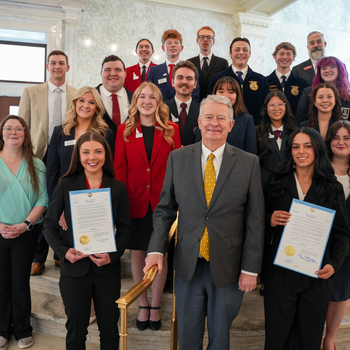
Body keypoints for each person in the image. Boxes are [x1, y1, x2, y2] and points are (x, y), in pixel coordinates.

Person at [144, 94, 264, 349]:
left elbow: (255, 219)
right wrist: (156, 250)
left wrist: (250, 268)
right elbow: (165, 209)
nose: (214, 123)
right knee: (187, 338)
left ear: (231, 125)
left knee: (220, 339)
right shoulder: (178, 158)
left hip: (229, 268)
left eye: (222, 118)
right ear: (199, 122)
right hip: (188, 265)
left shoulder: (249, 163)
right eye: (208, 117)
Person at [43, 132, 131, 350]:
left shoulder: (117, 187)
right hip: (74, 269)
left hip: (107, 271)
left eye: (98, 151)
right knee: (75, 332)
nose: (93, 157)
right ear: (78, 156)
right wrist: (64, 251)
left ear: (105, 155)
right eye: (86, 152)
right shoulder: (65, 184)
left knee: (110, 330)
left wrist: (112, 256)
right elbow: (48, 225)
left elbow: (126, 230)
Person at [263, 127, 349, 350]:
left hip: (316, 275)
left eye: (307, 146)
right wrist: (269, 219)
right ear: (290, 151)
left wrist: (333, 264)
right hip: (280, 274)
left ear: (317, 150)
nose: (301, 151)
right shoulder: (276, 181)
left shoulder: (332, 187)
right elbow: (256, 220)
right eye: (296, 146)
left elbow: (341, 233)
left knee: (308, 341)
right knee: (276, 340)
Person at [114, 82, 181, 331]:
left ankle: (155, 304)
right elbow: (120, 171)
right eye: (142, 96)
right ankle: (141, 303)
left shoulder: (171, 130)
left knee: (159, 254)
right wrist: (120, 205)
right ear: (136, 101)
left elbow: (178, 169)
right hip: (135, 203)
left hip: (164, 204)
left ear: (159, 102)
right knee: (138, 253)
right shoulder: (125, 130)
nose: (147, 101)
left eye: (152, 97)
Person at [18, 49, 76, 276]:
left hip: (66, 155)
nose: (57, 67)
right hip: (38, 155)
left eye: (62, 63)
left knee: (64, 201)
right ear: (47, 67)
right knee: (41, 203)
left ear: (68, 67)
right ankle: (38, 256)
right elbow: (23, 124)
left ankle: (60, 251)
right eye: (53, 63)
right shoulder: (32, 92)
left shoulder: (75, 93)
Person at [0, 115, 48, 350]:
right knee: (1, 283)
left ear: (25, 134)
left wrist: (25, 225)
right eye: (8, 128)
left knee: (20, 282)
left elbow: (43, 198)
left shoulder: (36, 164)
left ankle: (22, 329)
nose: (13, 132)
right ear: (2, 133)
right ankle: (2, 330)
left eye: (19, 128)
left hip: (25, 232)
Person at [47, 86, 114, 200]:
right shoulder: (60, 132)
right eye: (81, 100)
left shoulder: (106, 134)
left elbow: (109, 169)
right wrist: (56, 205)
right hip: (65, 196)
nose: (86, 106)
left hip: (96, 195)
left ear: (97, 108)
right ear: (74, 103)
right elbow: (52, 172)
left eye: (91, 102)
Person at [323, 121, 350, 350]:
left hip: (347, 246)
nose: (341, 142)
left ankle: (329, 339)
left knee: (340, 293)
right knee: (319, 291)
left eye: (347, 137)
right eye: (336, 137)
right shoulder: (320, 169)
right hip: (318, 241)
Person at [208, 37, 269, 125]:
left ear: (250, 54)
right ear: (230, 53)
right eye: (237, 50)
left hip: (254, 129)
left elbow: (265, 108)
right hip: (223, 128)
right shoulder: (218, 78)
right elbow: (210, 105)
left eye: (245, 50)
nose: (241, 53)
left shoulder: (261, 80)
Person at [196, 76, 256, 154]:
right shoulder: (205, 116)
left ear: (237, 95)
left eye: (231, 92)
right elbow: (197, 147)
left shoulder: (247, 120)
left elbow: (251, 155)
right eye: (221, 91)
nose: (225, 95)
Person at [256, 91, 297, 187]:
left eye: (280, 104)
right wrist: (267, 181)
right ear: (266, 108)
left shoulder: (295, 132)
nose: (276, 108)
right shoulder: (257, 132)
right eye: (272, 105)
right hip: (265, 185)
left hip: (290, 184)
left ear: (286, 106)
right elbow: (255, 161)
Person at [147, 29, 199, 102]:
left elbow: (195, 95)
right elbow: (149, 94)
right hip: (160, 111)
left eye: (176, 43)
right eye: (169, 43)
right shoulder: (154, 71)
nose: (173, 45)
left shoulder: (191, 70)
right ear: (163, 47)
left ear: (181, 48)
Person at [295, 56, 350, 124]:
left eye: (332, 67)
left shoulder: (348, 95)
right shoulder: (308, 92)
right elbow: (299, 121)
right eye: (324, 68)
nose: (328, 70)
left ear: (340, 70)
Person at [96, 55, 133, 141]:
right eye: (107, 70)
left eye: (118, 70)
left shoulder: (136, 98)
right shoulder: (91, 97)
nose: (113, 74)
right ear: (101, 74)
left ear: (125, 73)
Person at [187, 26, 229, 102]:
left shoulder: (223, 63)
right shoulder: (189, 63)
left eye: (209, 37)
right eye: (202, 37)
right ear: (197, 40)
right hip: (193, 104)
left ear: (213, 41)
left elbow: (224, 86)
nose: (205, 40)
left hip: (215, 103)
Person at [266, 42, 308, 115]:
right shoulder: (265, 81)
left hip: (294, 125)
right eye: (281, 54)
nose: (285, 57)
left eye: (288, 54)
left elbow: (304, 108)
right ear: (275, 57)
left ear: (293, 58)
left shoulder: (302, 83)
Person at [164, 61, 199, 146]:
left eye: (189, 78)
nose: (184, 82)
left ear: (195, 84)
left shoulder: (203, 110)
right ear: (173, 82)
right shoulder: (161, 108)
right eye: (180, 78)